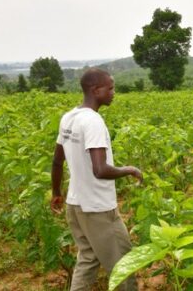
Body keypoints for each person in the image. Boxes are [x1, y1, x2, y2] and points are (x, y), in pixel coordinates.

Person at [50, 68, 143, 291]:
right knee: (123, 264)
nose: (113, 92)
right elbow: (100, 170)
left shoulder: (69, 117)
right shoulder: (93, 122)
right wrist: (129, 170)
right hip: (97, 208)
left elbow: (56, 161)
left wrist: (56, 193)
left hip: (75, 204)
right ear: (95, 90)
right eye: (110, 88)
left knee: (88, 257)